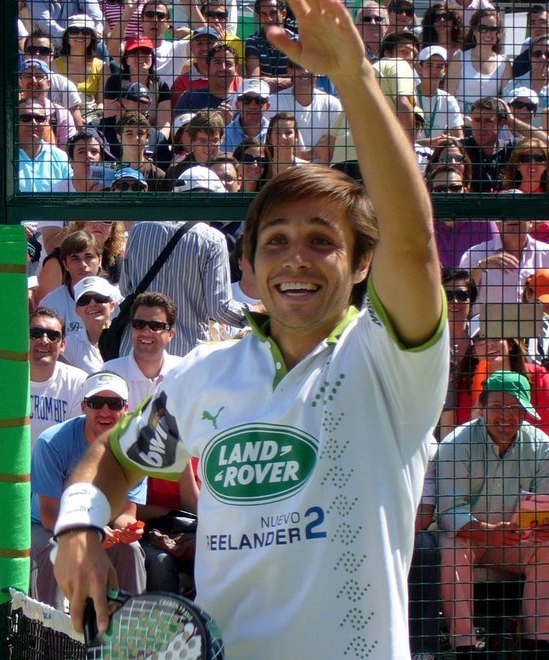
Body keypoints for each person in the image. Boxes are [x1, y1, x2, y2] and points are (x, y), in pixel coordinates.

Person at [52, 1, 447, 658]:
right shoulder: (208, 375)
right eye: (277, 241)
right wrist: (78, 528)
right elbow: (116, 458)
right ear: (249, 265)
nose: (296, 258)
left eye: (323, 241)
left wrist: (354, 77)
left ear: (361, 266)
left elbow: (414, 242)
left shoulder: (389, 365)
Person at [437, 371, 549, 656]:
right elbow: (449, 512)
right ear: (482, 406)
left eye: (515, 409)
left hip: (518, 541)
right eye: (498, 407)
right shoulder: (455, 444)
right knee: (453, 545)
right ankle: (464, 645)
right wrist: (488, 530)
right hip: (472, 539)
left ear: (525, 412)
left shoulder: (541, 444)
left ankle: (538, 642)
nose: (507, 416)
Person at [30, 371, 146, 609]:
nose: (105, 411)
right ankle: (48, 640)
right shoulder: (51, 442)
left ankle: (130, 631)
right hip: (46, 526)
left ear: (126, 408)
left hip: (102, 528)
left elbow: (126, 513)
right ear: (83, 406)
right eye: (96, 403)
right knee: (56, 550)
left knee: (131, 549)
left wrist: (127, 530)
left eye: (113, 404)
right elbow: (49, 514)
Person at [0, 308, 88, 468]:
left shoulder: (79, 382)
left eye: (53, 336)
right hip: (6, 479)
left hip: (56, 480)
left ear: (63, 344)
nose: (44, 340)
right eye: (35, 333)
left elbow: (78, 448)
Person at [115, 221, 242, 357]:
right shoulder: (213, 240)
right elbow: (220, 310)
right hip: (186, 357)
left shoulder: (138, 229)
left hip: (138, 351)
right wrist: (257, 312)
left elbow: (126, 289)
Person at [101, 291, 182, 410]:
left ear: (170, 333)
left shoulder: (183, 371)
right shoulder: (110, 373)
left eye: (156, 326)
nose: (146, 332)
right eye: (139, 324)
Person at [459, 217, 549, 307]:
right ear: (498, 224)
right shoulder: (476, 253)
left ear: (531, 223)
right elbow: (460, 289)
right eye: (506, 213)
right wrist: (482, 266)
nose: (512, 217)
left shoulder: (546, 253)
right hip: (490, 320)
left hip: (536, 320)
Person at [268, 58, 341, 163]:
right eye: (299, 67)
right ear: (290, 71)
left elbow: (332, 149)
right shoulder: (274, 102)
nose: (305, 71)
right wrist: (312, 153)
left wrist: (292, 153)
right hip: (286, 171)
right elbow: (271, 150)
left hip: (321, 172)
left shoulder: (332, 104)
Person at [428, 166, 497, 269]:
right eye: (440, 190)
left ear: (465, 191)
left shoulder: (482, 221)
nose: (448, 194)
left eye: (455, 188)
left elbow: (495, 260)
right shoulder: (425, 226)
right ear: (430, 194)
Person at [447, 9, 508, 115]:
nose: (488, 34)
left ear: (498, 33)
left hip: (490, 123)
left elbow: (507, 100)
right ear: (474, 31)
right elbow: (448, 96)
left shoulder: (504, 63)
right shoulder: (459, 58)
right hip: (460, 120)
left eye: (493, 29)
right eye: (483, 28)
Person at [17, 97, 73, 192]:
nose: (33, 123)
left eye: (40, 118)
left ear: (46, 122)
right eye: (26, 118)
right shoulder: (2, 157)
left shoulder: (60, 157)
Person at [63, 275, 118, 373]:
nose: (92, 304)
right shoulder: (70, 345)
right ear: (77, 310)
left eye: (99, 298)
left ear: (112, 306)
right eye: (84, 300)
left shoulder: (126, 339)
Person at [173, 41, 239, 117]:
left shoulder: (244, 102)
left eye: (228, 64)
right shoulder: (189, 98)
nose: (223, 68)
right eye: (217, 63)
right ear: (208, 68)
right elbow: (179, 128)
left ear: (236, 69)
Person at [415, 46, 464, 146]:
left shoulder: (449, 100)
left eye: (439, 66)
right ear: (420, 68)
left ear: (444, 71)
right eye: (429, 65)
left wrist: (447, 140)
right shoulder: (408, 96)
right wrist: (430, 143)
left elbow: (459, 138)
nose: (434, 71)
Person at [245, 0, 295, 91]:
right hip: (263, 99)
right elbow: (254, 80)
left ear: (283, 14)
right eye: (264, 14)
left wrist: (273, 82)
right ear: (259, 16)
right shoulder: (252, 41)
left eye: (273, 13)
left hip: (291, 99)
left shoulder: (296, 41)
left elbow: (301, 80)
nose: (269, 19)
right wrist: (286, 82)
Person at [222, 78, 271, 154]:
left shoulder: (275, 133)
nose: (253, 106)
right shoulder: (225, 134)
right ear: (237, 105)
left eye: (259, 100)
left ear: (267, 106)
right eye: (247, 100)